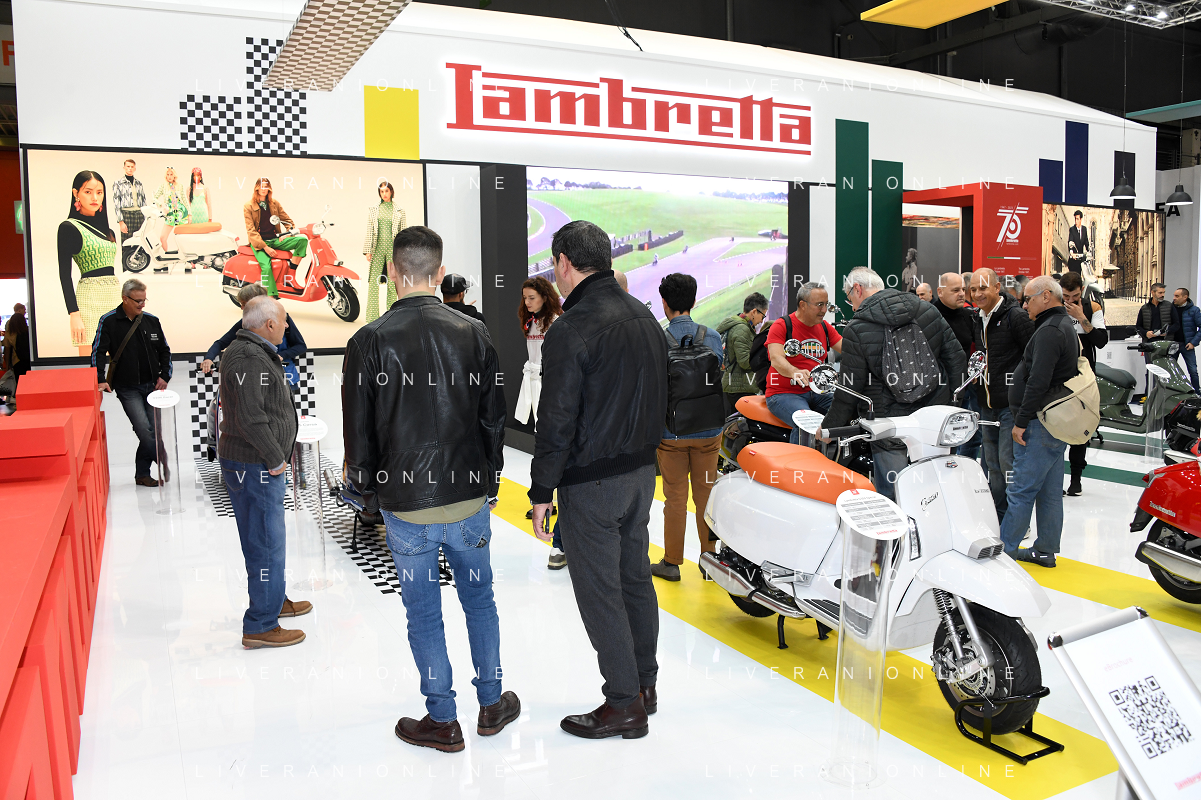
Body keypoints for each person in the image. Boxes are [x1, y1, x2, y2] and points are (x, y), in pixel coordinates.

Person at [342, 225, 513, 752]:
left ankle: (442, 719)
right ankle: (491, 704)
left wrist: (366, 493)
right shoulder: (474, 333)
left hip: (405, 504)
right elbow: (493, 419)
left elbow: (358, 433)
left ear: (393, 272)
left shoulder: (367, 341)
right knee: (479, 600)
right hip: (468, 498)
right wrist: (489, 479)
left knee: (423, 612)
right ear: (439, 274)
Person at [529, 220, 667, 740]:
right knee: (634, 579)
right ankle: (645, 686)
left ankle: (623, 703)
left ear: (564, 263)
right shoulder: (644, 315)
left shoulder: (571, 328)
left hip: (592, 482)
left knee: (600, 590)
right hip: (641, 473)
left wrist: (541, 491)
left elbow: (556, 421)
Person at [820, 267, 966, 500]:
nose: (853, 307)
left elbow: (850, 388)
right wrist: (951, 406)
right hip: (932, 418)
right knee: (936, 489)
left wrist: (831, 428)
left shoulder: (856, 329)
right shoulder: (928, 310)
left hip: (887, 424)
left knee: (893, 493)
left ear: (857, 289)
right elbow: (956, 360)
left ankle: (897, 524)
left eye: (849, 299)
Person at [217, 296, 311, 647]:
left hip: (256, 464)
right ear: (269, 323)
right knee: (265, 542)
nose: (286, 326)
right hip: (255, 464)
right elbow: (250, 418)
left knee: (268, 539)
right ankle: (260, 624)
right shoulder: (248, 356)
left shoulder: (254, 351)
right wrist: (275, 458)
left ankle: (274, 601)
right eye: (283, 321)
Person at [999, 277, 1079, 567]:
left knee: (1021, 491)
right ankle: (1045, 549)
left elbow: (1038, 381)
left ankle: (1003, 554)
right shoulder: (1061, 325)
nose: (1024, 305)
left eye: (1028, 299)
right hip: (1052, 422)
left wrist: (1021, 420)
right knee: (1049, 492)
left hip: (1039, 422)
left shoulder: (1050, 330)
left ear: (1046, 296)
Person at [651, 273, 724, 583]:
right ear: (694, 301)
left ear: (664, 303)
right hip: (709, 431)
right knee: (706, 496)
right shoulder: (713, 337)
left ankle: (671, 562)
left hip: (671, 433)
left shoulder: (657, 338)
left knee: (675, 499)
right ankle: (710, 561)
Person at [91, 279, 172, 486]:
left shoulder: (152, 320)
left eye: (144, 300)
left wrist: (165, 375)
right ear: (125, 299)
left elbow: (164, 350)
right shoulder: (108, 321)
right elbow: (98, 351)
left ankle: (142, 474)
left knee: (154, 432)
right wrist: (99, 379)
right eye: (138, 301)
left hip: (153, 386)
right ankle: (162, 458)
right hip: (127, 388)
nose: (142, 305)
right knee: (144, 430)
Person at [970, 269, 1033, 522]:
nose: (977, 294)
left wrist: (1020, 392)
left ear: (997, 288)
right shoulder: (978, 318)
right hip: (986, 404)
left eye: (983, 288)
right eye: (973, 289)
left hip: (1010, 405)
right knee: (992, 464)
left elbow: (1032, 356)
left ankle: (1017, 520)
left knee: (1009, 464)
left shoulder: (1015, 316)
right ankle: (1000, 515)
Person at [764, 282, 841, 444]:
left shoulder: (824, 327)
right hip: (784, 393)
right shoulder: (782, 325)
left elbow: (848, 349)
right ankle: (799, 460)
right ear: (803, 305)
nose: (824, 310)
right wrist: (794, 372)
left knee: (846, 410)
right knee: (805, 423)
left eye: (826, 305)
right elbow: (777, 359)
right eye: (819, 305)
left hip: (817, 392)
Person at [201, 283, 308, 390]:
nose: (242, 308)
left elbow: (301, 346)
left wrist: (281, 356)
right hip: (260, 379)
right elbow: (221, 343)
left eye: (244, 304)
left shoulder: (283, 319)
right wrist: (209, 359)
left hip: (285, 377)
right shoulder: (245, 323)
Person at [60, 170, 121, 357]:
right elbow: (65, 275)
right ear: (76, 193)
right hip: (89, 300)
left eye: (99, 192)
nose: (95, 198)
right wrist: (74, 313)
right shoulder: (68, 227)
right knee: (92, 364)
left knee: (120, 361)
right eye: (88, 192)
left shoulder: (109, 231)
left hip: (115, 297)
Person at [1059, 272, 1107, 496]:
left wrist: (1081, 317)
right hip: (1058, 376)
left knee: (1080, 429)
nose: (1070, 301)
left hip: (1084, 378)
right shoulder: (1054, 306)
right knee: (1055, 427)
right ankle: (1055, 480)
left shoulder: (1093, 307)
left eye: (1075, 296)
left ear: (1082, 291)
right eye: (1066, 296)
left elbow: (1101, 341)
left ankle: (1076, 479)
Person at [933, 272, 981, 461]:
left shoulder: (969, 316)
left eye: (962, 289)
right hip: (938, 390)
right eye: (955, 290)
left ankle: (964, 470)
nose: (962, 293)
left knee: (970, 436)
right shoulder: (929, 316)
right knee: (940, 439)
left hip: (965, 387)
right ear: (940, 292)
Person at [243, 178, 307, 298]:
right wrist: (265, 247)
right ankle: (270, 297)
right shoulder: (248, 206)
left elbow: (288, 221)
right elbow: (251, 231)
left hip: (275, 239)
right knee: (267, 267)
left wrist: (287, 234)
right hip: (259, 243)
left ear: (269, 189)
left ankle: (291, 274)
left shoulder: (274, 203)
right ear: (256, 188)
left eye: (266, 186)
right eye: (261, 186)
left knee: (302, 240)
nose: (264, 189)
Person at [716, 292, 768, 417]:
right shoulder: (742, 329)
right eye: (763, 315)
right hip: (739, 388)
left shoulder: (740, 325)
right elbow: (745, 362)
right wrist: (764, 357)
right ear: (754, 312)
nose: (762, 320)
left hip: (737, 386)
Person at [363, 180, 407, 323]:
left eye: (386, 191)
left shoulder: (399, 210)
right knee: (373, 282)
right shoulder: (374, 209)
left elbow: (403, 232)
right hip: (377, 248)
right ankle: (372, 317)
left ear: (391, 191)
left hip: (393, 249)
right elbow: (370, 230)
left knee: (393, 283)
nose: (384, 194)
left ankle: (391, 316)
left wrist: (402, 252)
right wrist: (368, 250)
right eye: (381, 191)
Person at [1136, 283, 1177, 399]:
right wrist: (1146, 333)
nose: (1162, 295)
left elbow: (1177, 325)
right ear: (1153, 292)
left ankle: (1165, 397)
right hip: (1149, 345)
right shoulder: (1144, 308)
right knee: (1150, 370)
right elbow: (1138, 326)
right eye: (1160, 292)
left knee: (1165, 371)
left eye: (1163, 292)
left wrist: (1167, 331)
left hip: (1165, 344)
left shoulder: (1169, 306)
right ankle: (1149, 395)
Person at [153, 166, 190, 258]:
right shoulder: (163, 186)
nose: (169, 176)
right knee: (163, 237)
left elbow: (185, 200)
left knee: (182, 238)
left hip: (181, 213)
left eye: (171, 174)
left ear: (174, 176)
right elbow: (154, 198)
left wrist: (189, 213)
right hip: (170, 214)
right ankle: (165, 258)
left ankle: (186, 259)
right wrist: (162, 205)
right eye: (168, 175)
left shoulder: (180, 186)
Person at [112, 159, 147, 248]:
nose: (130, 168)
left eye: (132, 167)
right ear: (124, 168)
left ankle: (139, 257)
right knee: (126, 242)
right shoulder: (118, 183)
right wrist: (121, 222)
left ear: (135, 168)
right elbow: (116, 203)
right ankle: (126, 257)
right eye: (128, 166)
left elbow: (143, 200)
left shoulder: (139, 183)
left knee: (140, 242)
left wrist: (146, 216)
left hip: (139, 214)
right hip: (127, 214)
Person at [1173, 287, 1201, 394]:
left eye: (1177, 296)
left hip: (1187, 345)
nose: (1174, 298)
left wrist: (1193, 342)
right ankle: (1173, 394)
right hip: (1172, 345)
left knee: (1193, 371)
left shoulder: (1194, 310)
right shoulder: (1171, 309)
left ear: (1185, 297)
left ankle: (1197, 394)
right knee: (1170, 372)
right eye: (1174, 295)